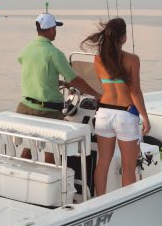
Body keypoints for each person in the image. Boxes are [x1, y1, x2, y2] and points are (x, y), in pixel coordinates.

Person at [80, 17, 151, 195]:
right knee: (128, 167)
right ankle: (126, 203)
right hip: (125, 115)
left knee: (103, 162)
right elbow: (135, 91)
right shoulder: (132, 59)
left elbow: (106, 84)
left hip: (103, 114)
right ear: (124, 37)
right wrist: (145, 117)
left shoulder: (98, 60)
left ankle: (99, 200)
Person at [17, 13, 101, 161]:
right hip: (47, 112)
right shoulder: (54, 53)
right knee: (53, 152)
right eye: (55, 28)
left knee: (27, 148)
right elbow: (76, 80)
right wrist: (96, 94)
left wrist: (58, 83)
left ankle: (22, 178)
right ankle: (53, 181)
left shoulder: (27, 49)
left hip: (24, 108)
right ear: (51, 30)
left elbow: (35, 71)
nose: (56, 31)